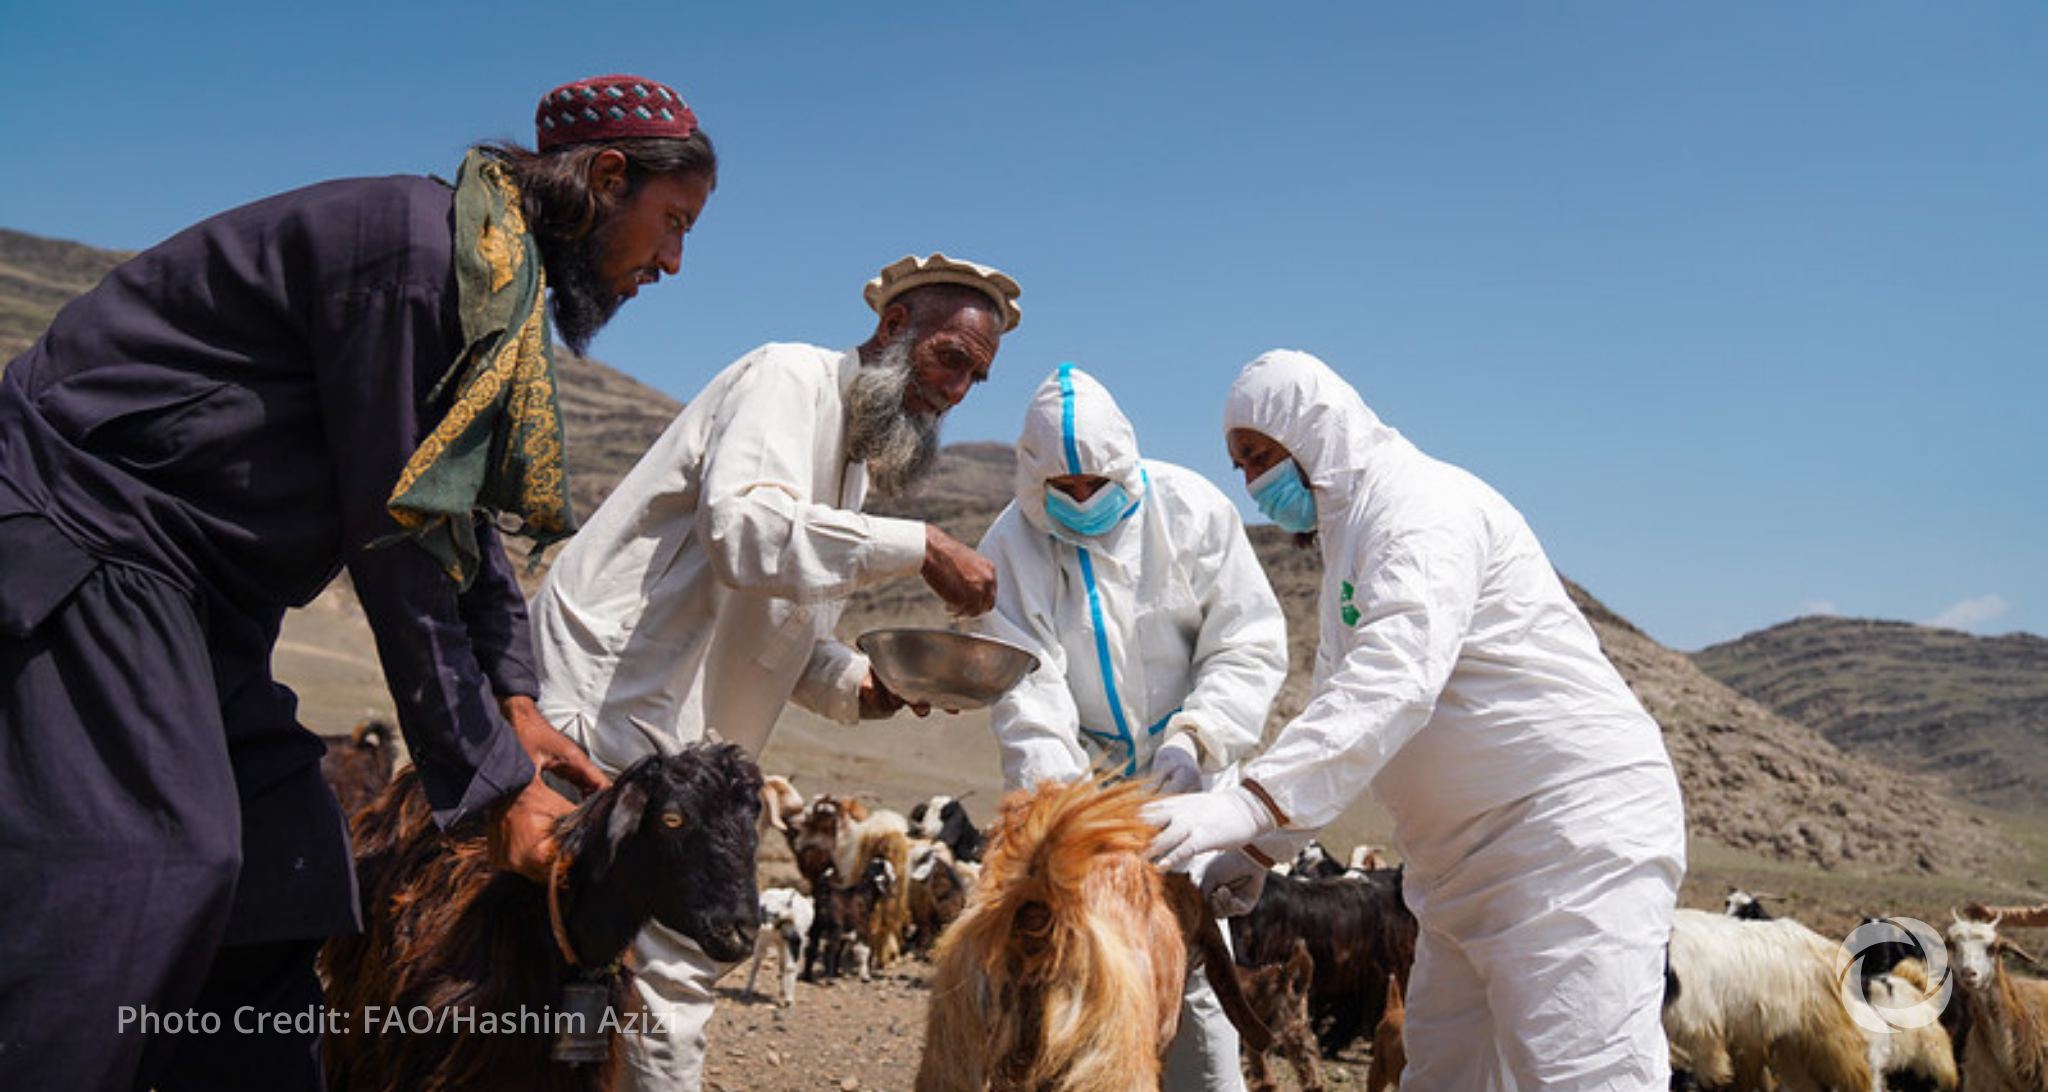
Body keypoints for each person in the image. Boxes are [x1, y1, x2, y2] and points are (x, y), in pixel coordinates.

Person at [0, 72, 712, 1092]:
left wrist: (513, 696)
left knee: (289, 868)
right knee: (152, 865)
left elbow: (454, 517)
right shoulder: (415, 259)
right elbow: (397, 541)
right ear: (606, 177)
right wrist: (491, 789)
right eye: (672, 222)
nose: (674, 262)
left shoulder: (486, 286)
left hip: (202, 601)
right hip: (95, 532)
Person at [527, 251, 1020, 1092]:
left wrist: (865, 687)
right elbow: (748, 533)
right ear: (895, 327)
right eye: (950, 360)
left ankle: (571, 1077)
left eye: (977, 378)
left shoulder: (852, 466)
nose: (956, 392)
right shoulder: (785, 378)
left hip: (685, 741)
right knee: (662, 958)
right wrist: (921, 545)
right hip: (615, 696)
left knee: (592, 954)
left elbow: (775, 625)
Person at [1145, 349, 1687, 1092]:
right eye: (1240, 466)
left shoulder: (1418, 509)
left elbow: (1395, 680)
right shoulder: (1350, 543)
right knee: (1445, 1074)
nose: (1252, 483)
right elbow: (1341, 712)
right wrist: (1262, 847)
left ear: (1312, 432)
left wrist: (1245, 805)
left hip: (1565, 844)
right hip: (1462, 869)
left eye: (1260, 457)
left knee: (1583, 1074)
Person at [975, 363, 1288, 1092]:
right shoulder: (1011, 548)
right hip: (1084, 789)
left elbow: (1245, 641)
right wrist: (1075, 813)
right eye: (1065, 491)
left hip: (1189, 785)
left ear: (1127, 467)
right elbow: (1028, 690)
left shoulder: (1193, 513)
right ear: (1034, 483)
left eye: (1096, 487)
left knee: (1190, 962)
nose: (1082, 501)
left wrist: (1196, 739)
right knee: (1073, 966)